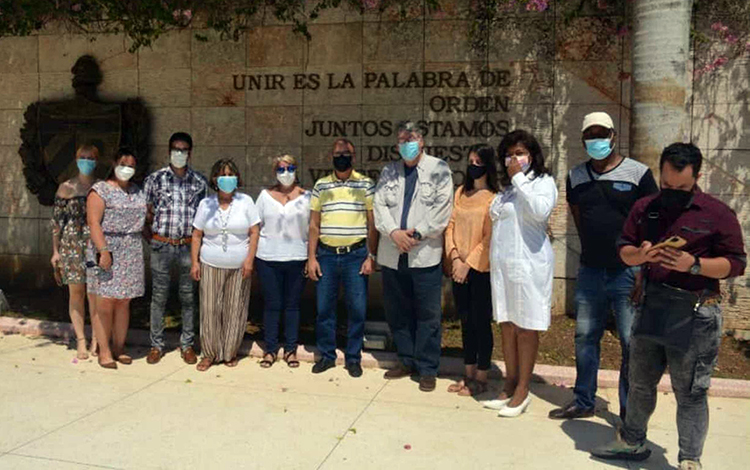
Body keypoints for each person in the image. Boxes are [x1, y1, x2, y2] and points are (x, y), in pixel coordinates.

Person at [592, 143, 746, 470]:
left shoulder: (718, 214)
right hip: (652, 305)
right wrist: (642, 256)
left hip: (696, 314)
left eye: (682, 188)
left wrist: (694, 265)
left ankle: (690, 458)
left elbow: (735, 264)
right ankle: (632, 442)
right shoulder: (646, 208)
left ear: (697, 178)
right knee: (640, 382)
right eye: (667, 185)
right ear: (660, 175)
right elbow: (624, 250)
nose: (672, 192)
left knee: (690, 392)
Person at [549, 112, 658, 421]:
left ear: (613, 135)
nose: (596, 140)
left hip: (629, 274)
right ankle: (583, 400)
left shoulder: (639, 173)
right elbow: (579, 217)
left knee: (629, 341)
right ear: (584, 140)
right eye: (590, 135)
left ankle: (628, 409)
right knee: (585, 337)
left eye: (601, 134)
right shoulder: (576, 176)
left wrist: (642, 271)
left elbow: (652, 223)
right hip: (591, 272)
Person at [480, 129, 557, 417]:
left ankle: (524, 388)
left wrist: (520, 179)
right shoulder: (507, 190)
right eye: (510, 154)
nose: (515, 158)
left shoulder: (542, 183)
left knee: (526, 327)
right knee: (508, 324)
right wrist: (514, 183)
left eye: (520, 153)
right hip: (503, 268)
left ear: (532, 155)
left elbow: (539, 212)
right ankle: (509, 382)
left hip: (529, 267)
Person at [374, 121, 454, 392]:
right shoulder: (389, 171)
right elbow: (379, 206)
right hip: (393, 253)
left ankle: (428, 368)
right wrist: (395, 232)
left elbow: (442, 210)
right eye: (401, 139)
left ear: (421, 141)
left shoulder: (439, 169)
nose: (405, 143)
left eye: (410, 138)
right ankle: (406, 359)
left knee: (428, 314)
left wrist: (416, 235)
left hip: (424, 255)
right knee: (398, 312)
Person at [306, 139, 377, 378]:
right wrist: (311, 258)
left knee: (357, 309)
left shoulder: (366, 185)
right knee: (324, 309)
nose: (342, 157)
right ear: (332, 157)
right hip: (326, 255)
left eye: (346, 153)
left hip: (356, 255)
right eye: (338, 153)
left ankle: (353, 357)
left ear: (353, 156)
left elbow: (372, 223)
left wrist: (371, 256)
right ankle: (327, 355)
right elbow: (314, 225)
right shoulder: (321, 185)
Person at [143, 132, 208, 365]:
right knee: (158, 297)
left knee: (188, 297)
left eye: (184, 150)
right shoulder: (155, 179)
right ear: (169, 150)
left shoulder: (199, 182)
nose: (179, 154)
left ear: (190, 152)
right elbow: (145, 213)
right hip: (162, 245)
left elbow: (203, 218)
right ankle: (156, 345)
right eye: (175, 149)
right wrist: (153, 239)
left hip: (187, 247)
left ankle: (187, 345)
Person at [191, 159, 260, 372]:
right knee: (210, 309)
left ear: (237, 178)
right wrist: (195, 262)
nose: (227, 179)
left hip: (239, 266)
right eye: (223, 175)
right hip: (210, 263)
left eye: (231, 175)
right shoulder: (206, 204)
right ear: (214, 179)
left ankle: (229, 352)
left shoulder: (246, 202)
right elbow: (196, 234)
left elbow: (255, 232)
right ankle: (210, 353)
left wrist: (250, 260)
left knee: (234, 310)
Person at [444, 144, 499, 396]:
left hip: (480, 270)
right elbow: (450, 226)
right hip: (458, 268)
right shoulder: (459, 193)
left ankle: (482, 376)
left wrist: (468, 264)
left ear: (487, 166)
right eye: (470, 161)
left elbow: (489, 238)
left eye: (478, 161)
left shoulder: (494, 198)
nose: (473, 166)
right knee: (465, 321)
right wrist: (455, 258)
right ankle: (467, 374)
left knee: (480, 322)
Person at [87, 147, 147, 369]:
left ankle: (119, 348)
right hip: (107, 248)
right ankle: (104, 352)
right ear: (113, 164)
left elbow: (145, 220)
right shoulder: (100, 190)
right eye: (123, 164)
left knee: (124, 301)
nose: (127, 169)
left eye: (131, 165)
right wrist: (103, 250)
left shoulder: (138, 191)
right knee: (105, 302)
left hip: (131, 249)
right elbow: (93, 223)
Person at [255, 155, 311, 368]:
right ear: (275, 172)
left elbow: (314, 229)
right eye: (281, 169)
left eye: (290, 168)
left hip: (297, 258)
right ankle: (270, 350)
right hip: (268, 259)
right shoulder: (264, 196)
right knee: (272, 305)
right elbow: (255, 228)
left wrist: (311, 257)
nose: (286, 173)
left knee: (292, 306)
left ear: (297, 169)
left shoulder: (308, 197)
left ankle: (290, 349)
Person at [51, 144, 100, 359]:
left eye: (90, 157)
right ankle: (81, 339)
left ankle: (98, 338)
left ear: (97, 161)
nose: (86, 160)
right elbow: (56, 223)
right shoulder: (66, 187)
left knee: (95, 294)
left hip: (94, 246)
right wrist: (55, 251)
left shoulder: (102, 187)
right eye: (83, 157)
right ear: (76, 158)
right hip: (71, 246)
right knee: (76, 294)